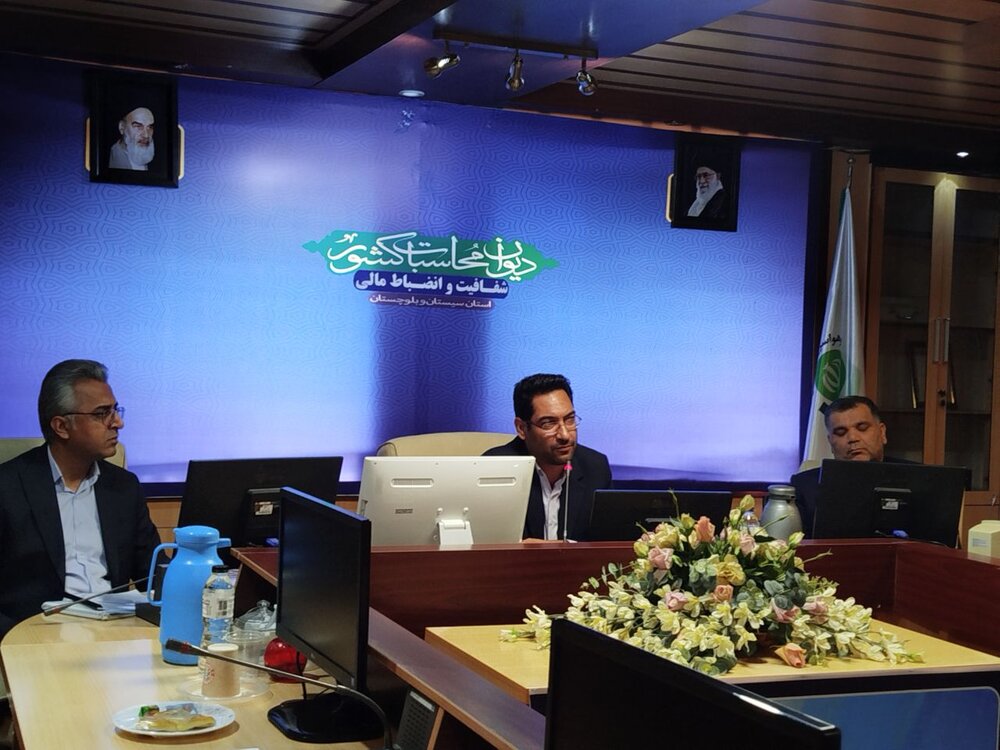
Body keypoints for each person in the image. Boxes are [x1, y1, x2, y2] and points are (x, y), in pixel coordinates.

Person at [0, 359, 161, 638]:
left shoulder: (124, 487)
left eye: (115, 410)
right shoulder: (8, 487)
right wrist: (12, 640)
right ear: (62, 426)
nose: (118, 422)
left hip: (115, 632)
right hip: (35, 634)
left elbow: (153, 572)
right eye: (102, 413)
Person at [484, 373, 612, 541]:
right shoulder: (494, 469)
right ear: (521, 428)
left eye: (569, 419)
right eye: (548, 423)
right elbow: (485, 543)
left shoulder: (595, 467)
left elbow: (605, 542)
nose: (565, 435)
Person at [791, 395, 908, 536]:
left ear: (882, 433)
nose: (852, 438)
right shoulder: (804, 487)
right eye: (841, 432)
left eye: (862, 428)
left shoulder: (916, 477)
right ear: (830, 442)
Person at [108, 106, 155, 171]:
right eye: (138, 126)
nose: (146, 135)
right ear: (122, 127)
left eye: (150, 127)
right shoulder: (113, 157)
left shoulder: (151, 158)